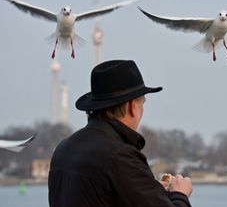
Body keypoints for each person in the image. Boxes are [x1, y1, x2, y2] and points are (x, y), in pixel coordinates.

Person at [48, 60, 193, 207]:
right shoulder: (120, 156)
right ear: (132, 107)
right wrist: (180, 194)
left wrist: (152, 191)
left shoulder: (63, 149)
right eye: (142, 103)